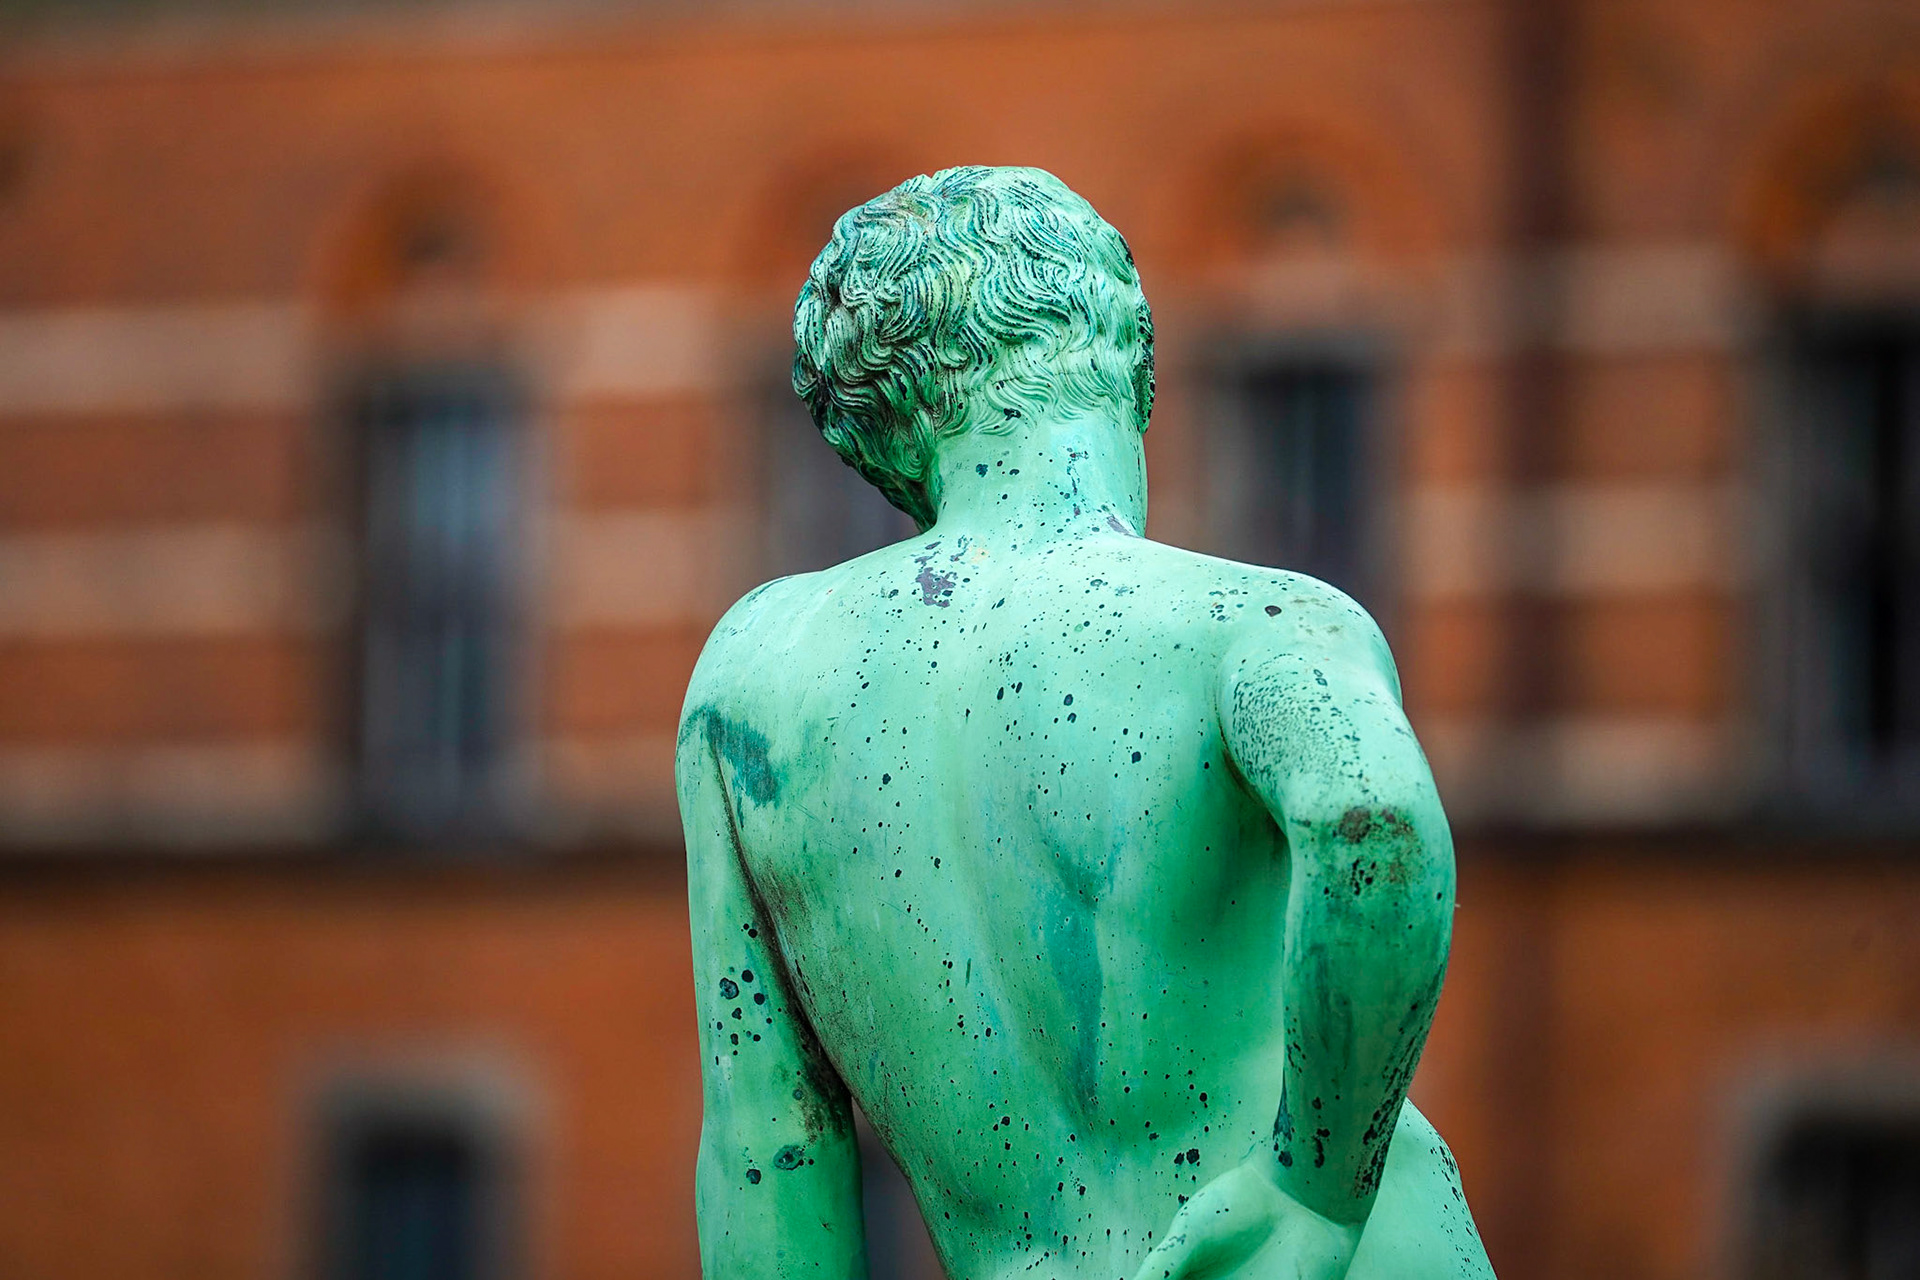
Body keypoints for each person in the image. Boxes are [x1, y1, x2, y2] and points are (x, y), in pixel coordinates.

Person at [676, 165, 1495, 1280]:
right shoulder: (1258, 621)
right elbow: (1373, 822)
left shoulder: (752, 677)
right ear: (1125, 349)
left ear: (881, 438)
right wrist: (1311, 1189)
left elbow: (763, 1145)